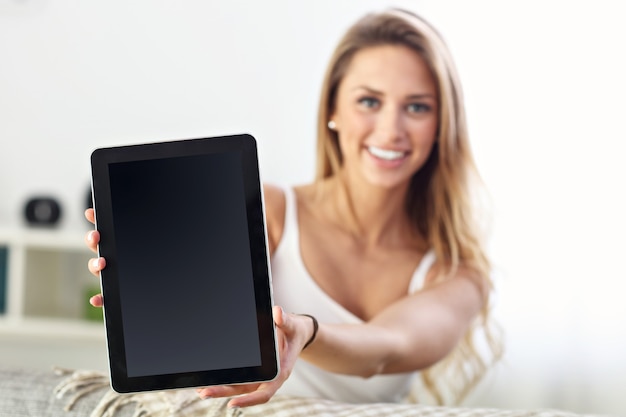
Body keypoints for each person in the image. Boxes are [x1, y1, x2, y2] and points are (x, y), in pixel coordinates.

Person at [85, 7, 502, 409]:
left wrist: (307, 332)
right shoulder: (268, 210)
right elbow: (197, 324)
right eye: (369, 102)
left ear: (441, 125)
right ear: (333, 111)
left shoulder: (456, 273)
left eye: (417, 107)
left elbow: (387, 349)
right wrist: (153, 296)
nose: (391, 130)